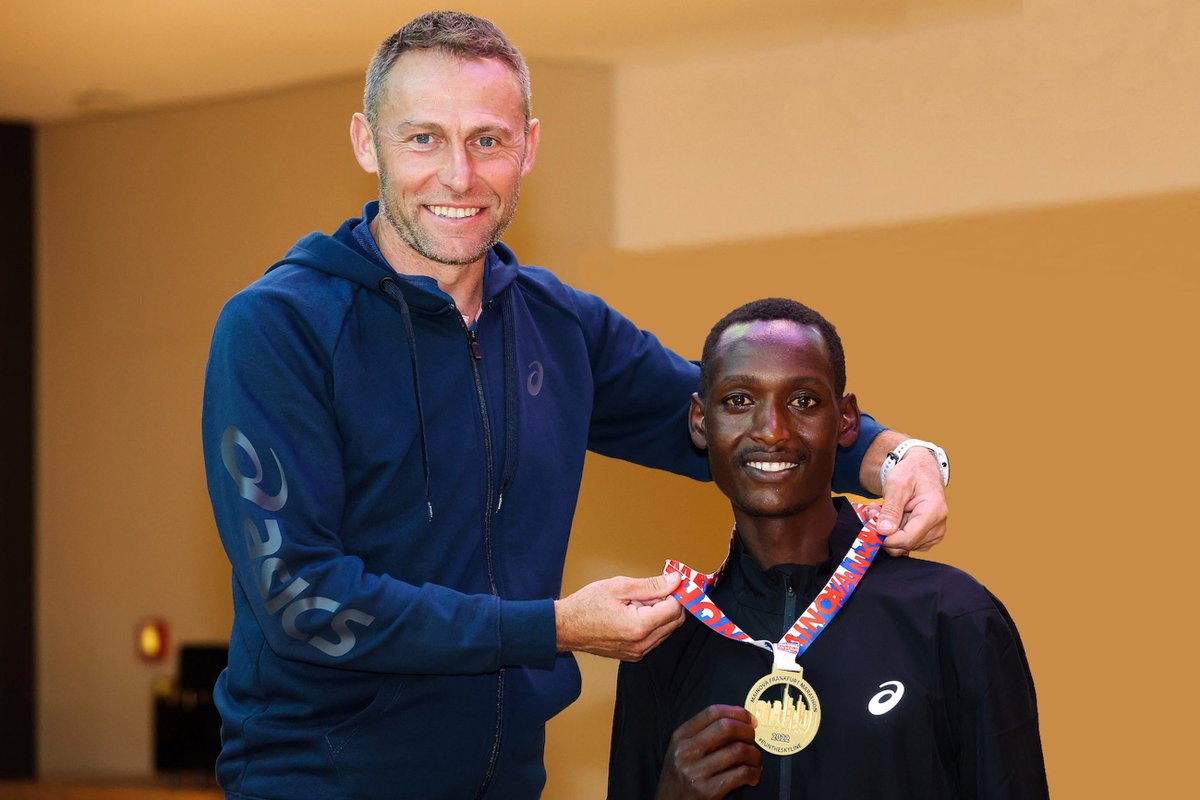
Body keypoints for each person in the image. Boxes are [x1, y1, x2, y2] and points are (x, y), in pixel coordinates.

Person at [201, 12, 951, 800]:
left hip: (510, 783)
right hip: (318, 783)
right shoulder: (279, 327)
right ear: (366, 142)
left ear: (528, 146)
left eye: (487, 141)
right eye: (423, 138)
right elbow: (302, 600)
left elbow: (720, 413)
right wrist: (555, 628)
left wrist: (893, 456)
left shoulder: (559, 326)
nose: (459, 175)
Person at [607, 298, 1047, 799]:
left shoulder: (952, 616)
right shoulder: (662, 642)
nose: (772, 430)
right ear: (700, 422)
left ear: (846, 421)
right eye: (738, 401)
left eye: (803, 402)